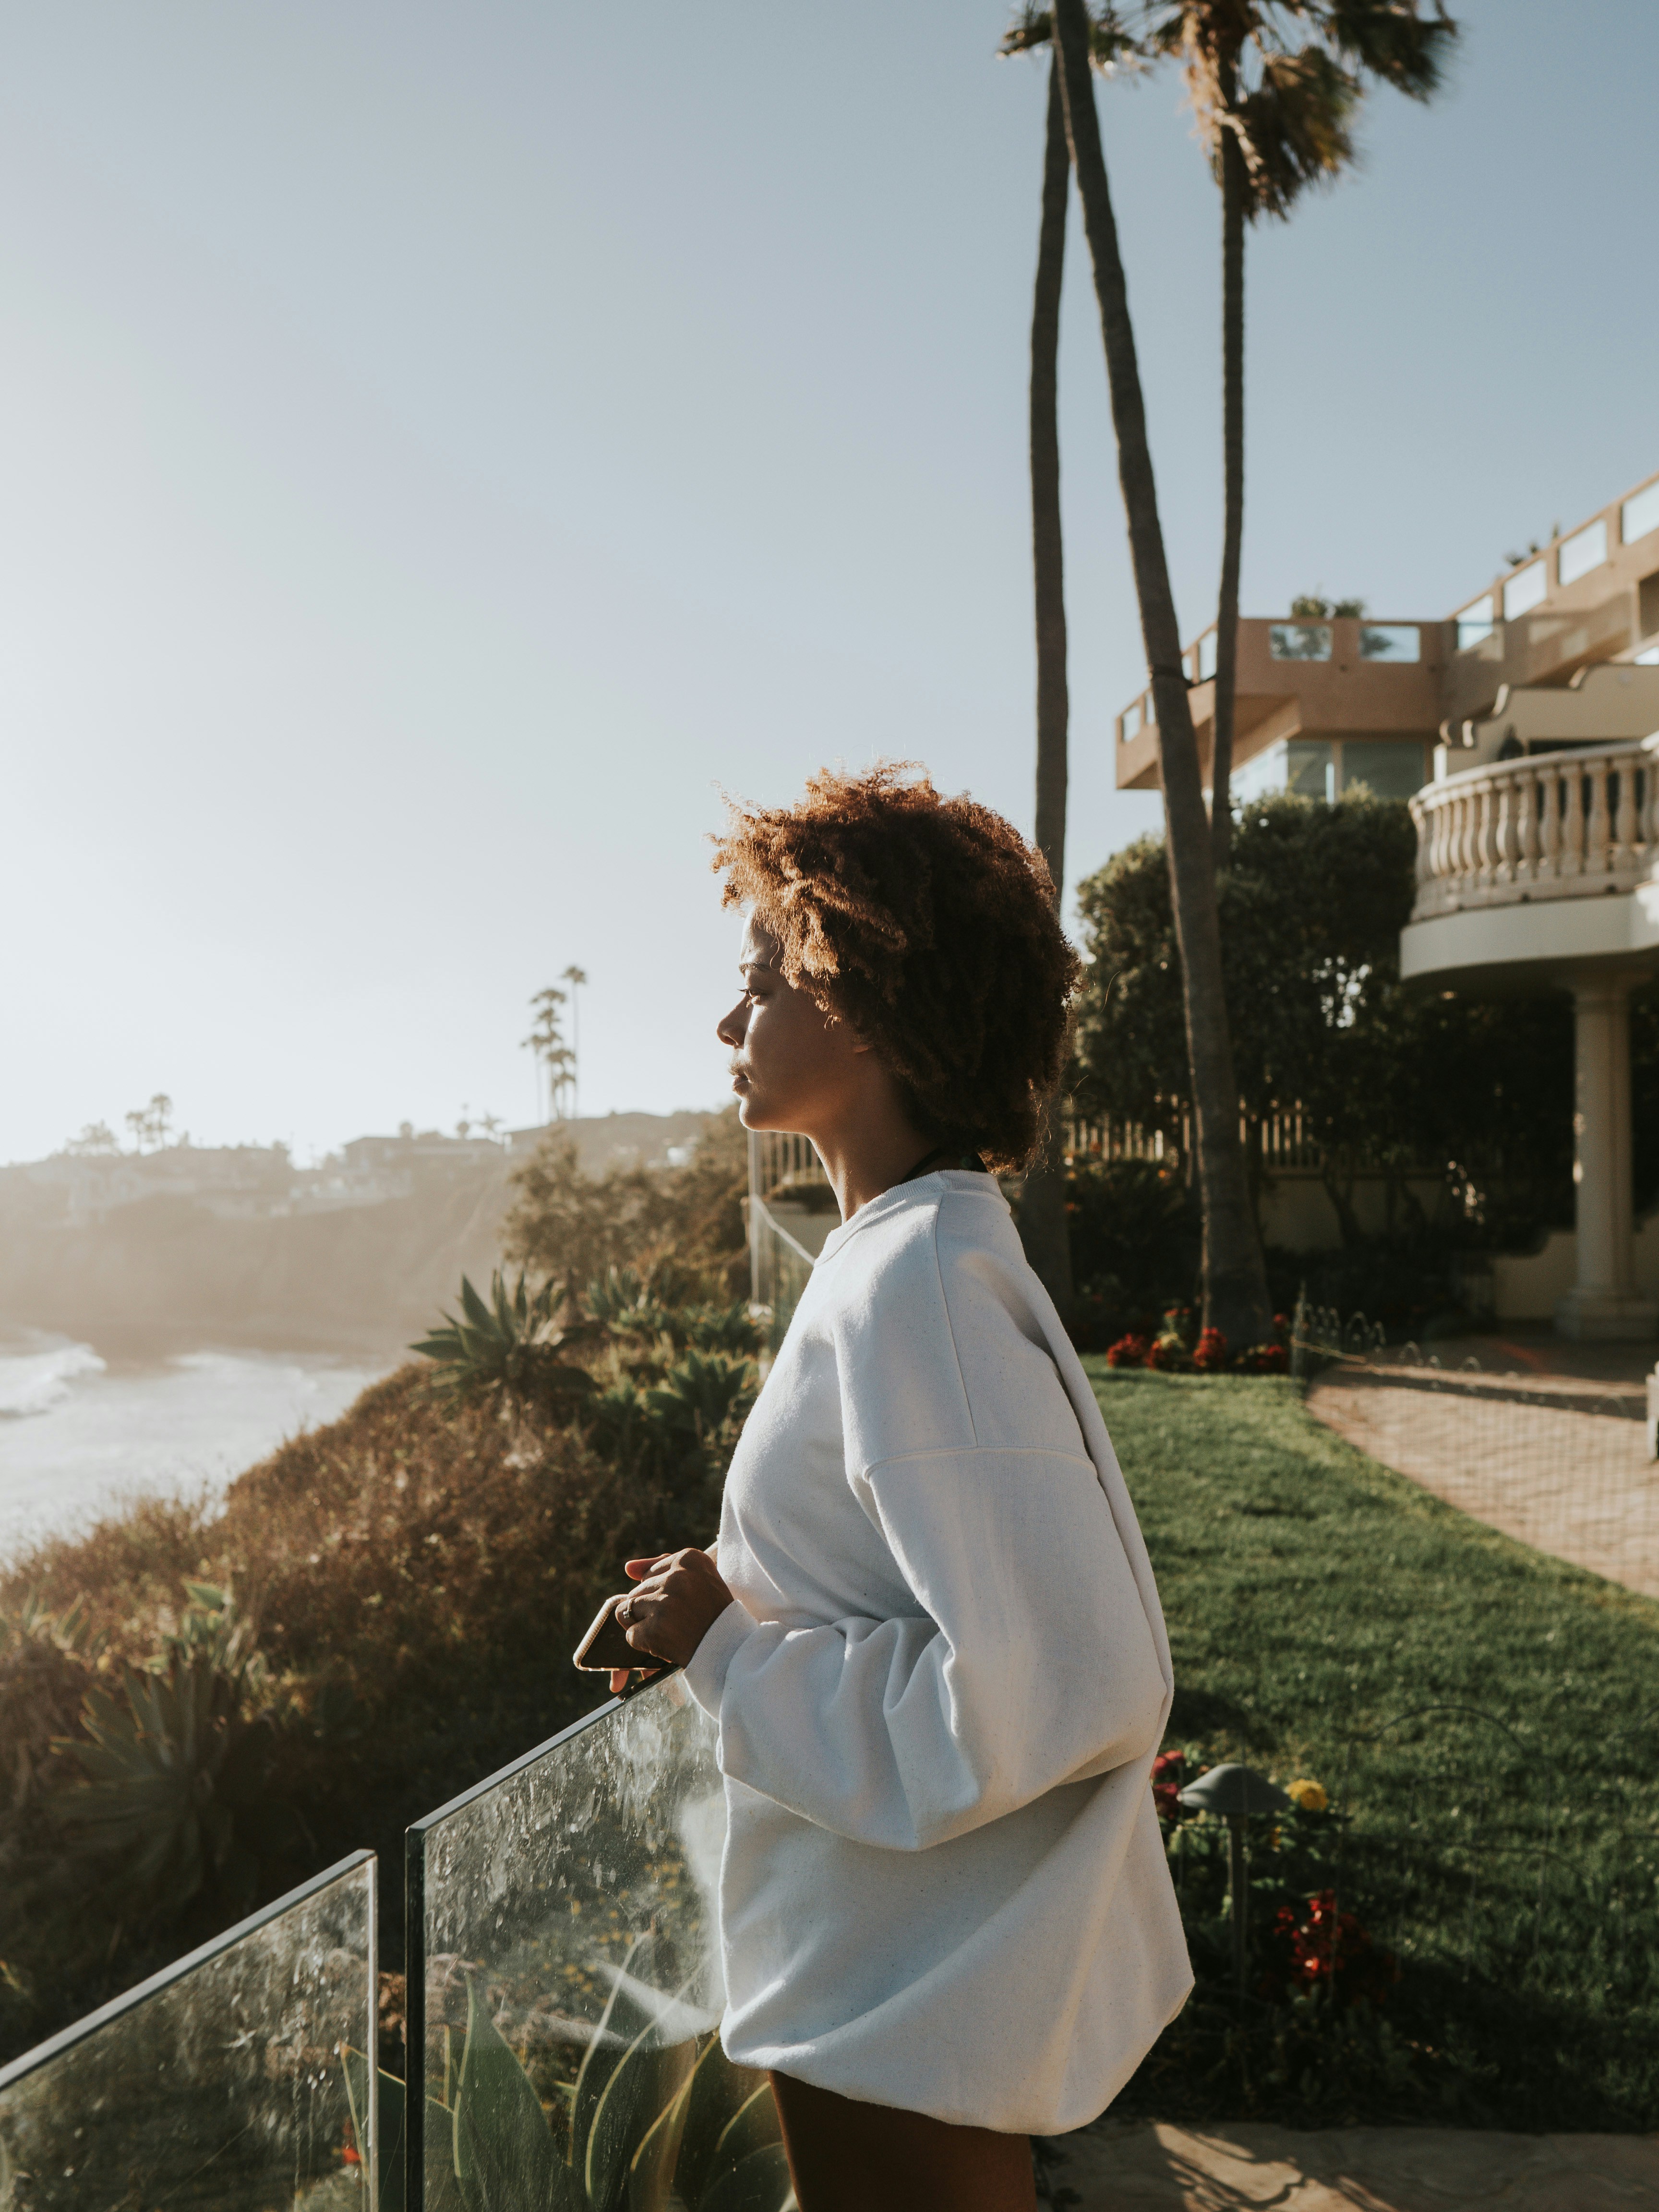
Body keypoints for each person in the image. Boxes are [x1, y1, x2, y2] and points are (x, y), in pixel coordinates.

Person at [607, 765, 1190, 2212]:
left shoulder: (917, 1285)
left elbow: (1053, 1682)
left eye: (762, 981)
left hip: (901, 2007)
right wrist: (718, 1608)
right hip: (883, 1981)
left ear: (861, 999)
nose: (728, 1021)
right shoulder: (908, 1259)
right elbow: (925, 1592)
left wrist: (730, 1653)